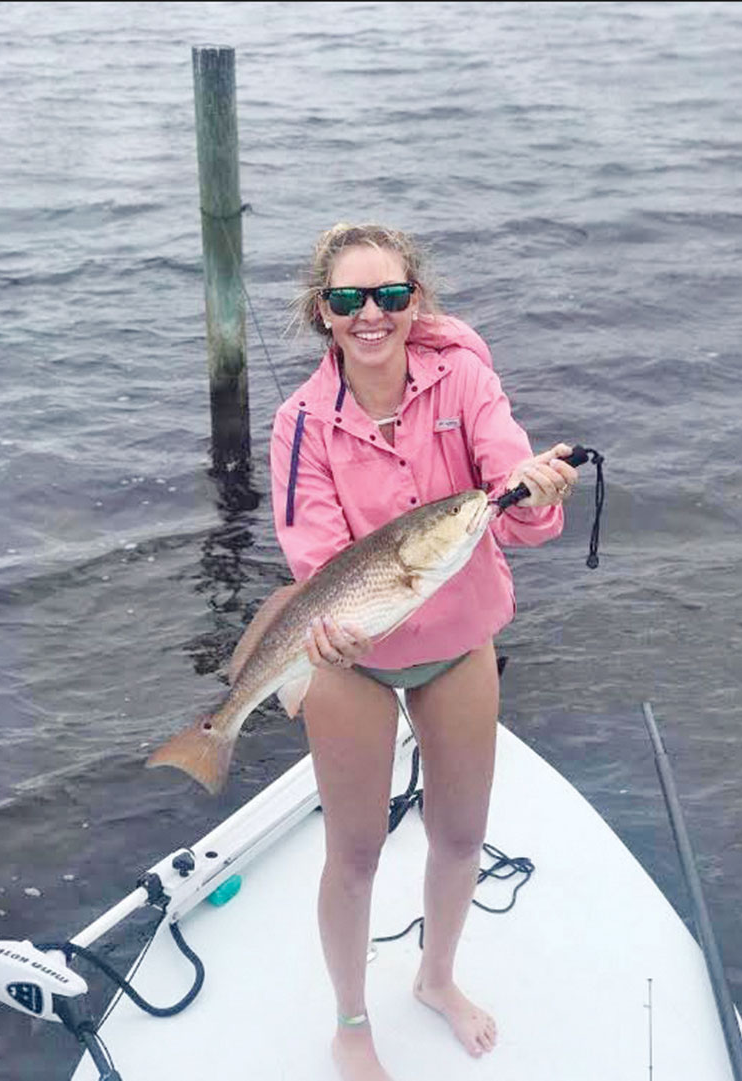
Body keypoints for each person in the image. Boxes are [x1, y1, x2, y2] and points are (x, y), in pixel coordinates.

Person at [268, 223, 578, 1081]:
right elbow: (316, 557)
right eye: (349, 299)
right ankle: (350, 1018)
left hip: (455, 642)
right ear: (322, 312)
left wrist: (535, 495)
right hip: (348, 663)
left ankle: (436, 977)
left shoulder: (466, 379)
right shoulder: (299, 425)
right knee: (356, 849)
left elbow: (511, 493)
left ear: (417, 303)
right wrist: (326, 630)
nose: (372, 314)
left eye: (392, 296)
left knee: (460, 831)